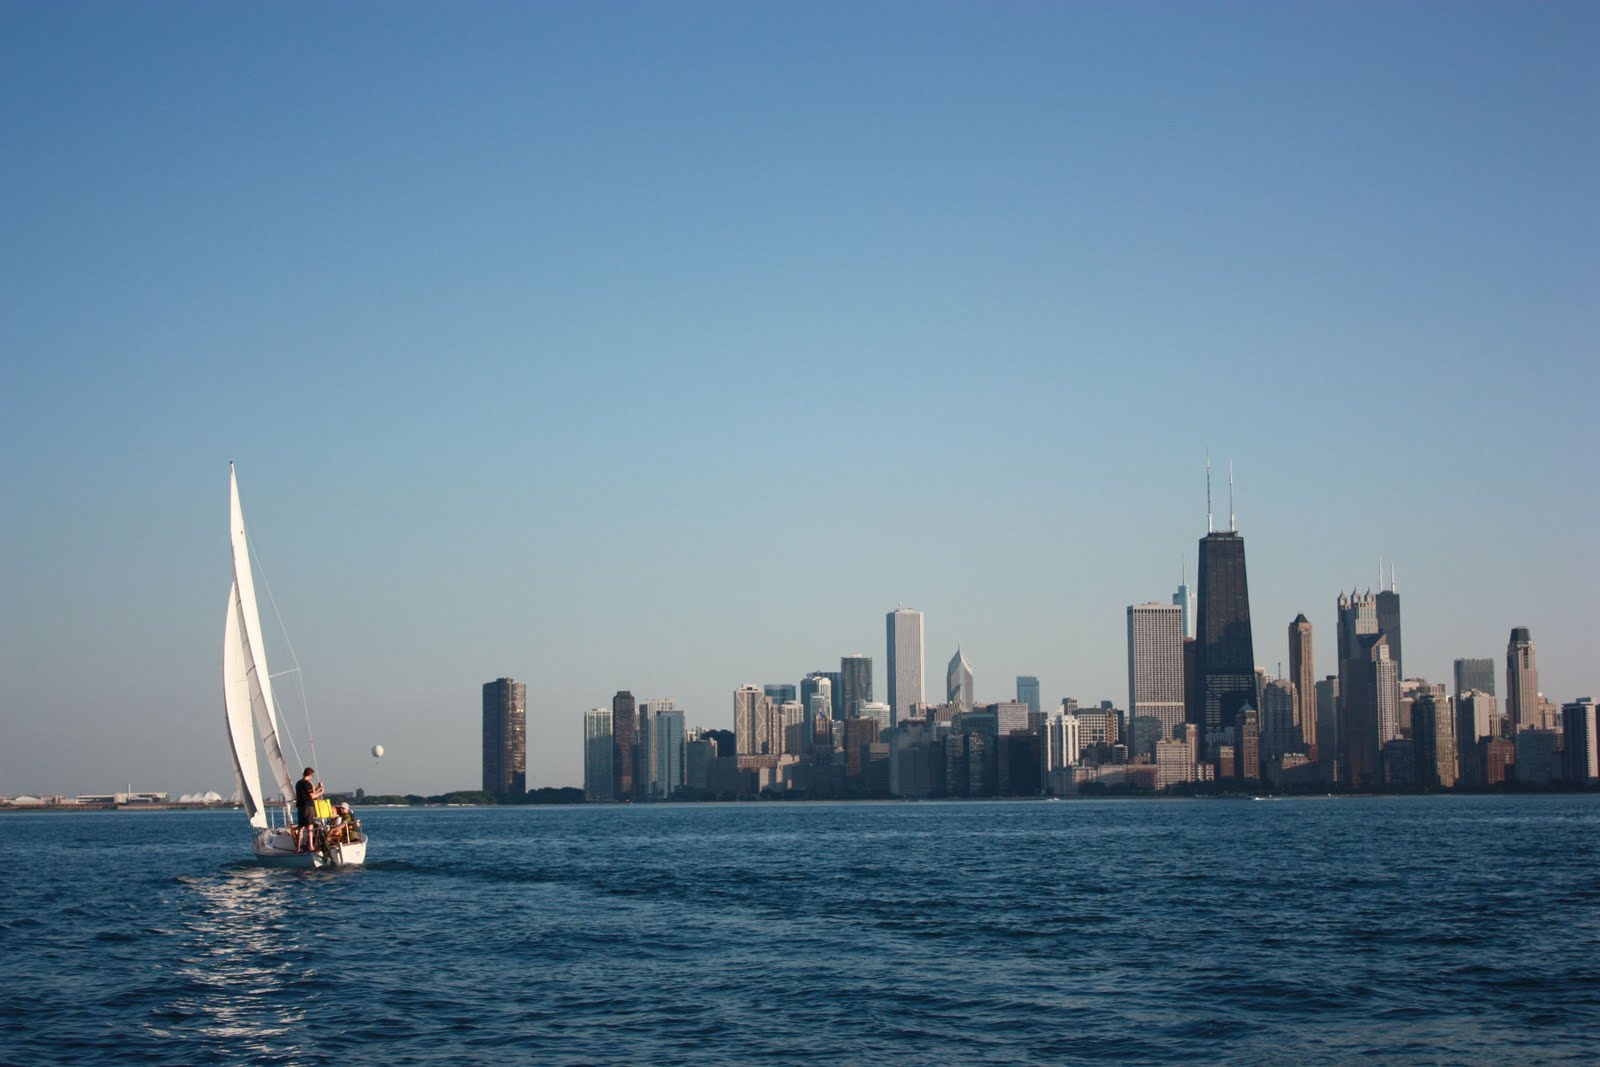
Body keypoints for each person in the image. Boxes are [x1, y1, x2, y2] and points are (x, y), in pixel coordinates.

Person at [295, 767, 323, 853]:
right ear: (310, 775)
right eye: (312, 775)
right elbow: (312, 796)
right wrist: (321, 792)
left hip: (300, 807)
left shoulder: (298, 783)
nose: (312, 777)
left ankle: (298, 848)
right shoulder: (307, 783)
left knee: (300, 828)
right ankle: (311, 846)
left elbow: (308, 793)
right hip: (308, 807)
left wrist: (318, 788)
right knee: (309, 826)